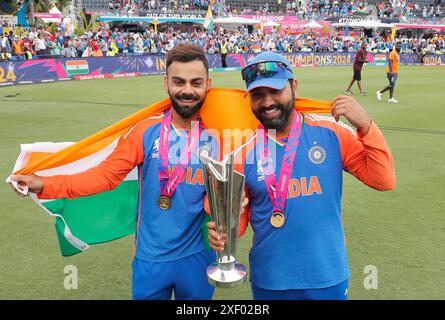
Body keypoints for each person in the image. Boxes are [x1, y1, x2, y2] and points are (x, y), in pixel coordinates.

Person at [9, 43, 218, 300]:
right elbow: (105, 176)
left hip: (198, 258)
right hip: (150, 259)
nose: (187, 90)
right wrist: (44, 184)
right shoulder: (145, 131)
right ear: (166, 83)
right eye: (179, 81)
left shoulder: (220, 134)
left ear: (208, 83)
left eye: (196, 82)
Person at [208, 52, 396, 300]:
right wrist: (225, 229)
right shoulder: (242, 154)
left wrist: (366, 126)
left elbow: (383, 179)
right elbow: (238, 226)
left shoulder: (332, 133)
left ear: (294, 86)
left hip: (327, 275)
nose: (267, 102)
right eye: (257, 95)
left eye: (275, 91)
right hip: (271, 280)